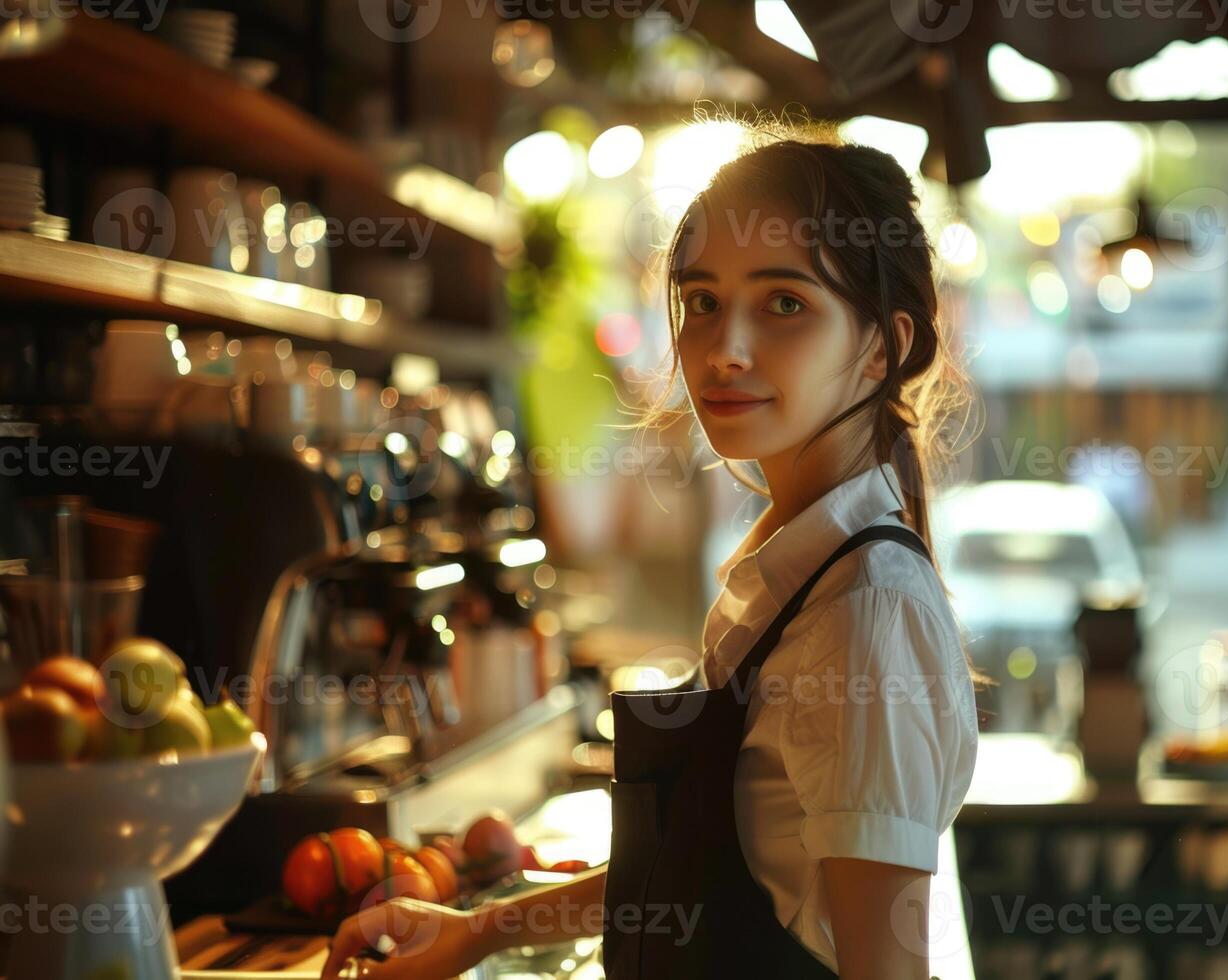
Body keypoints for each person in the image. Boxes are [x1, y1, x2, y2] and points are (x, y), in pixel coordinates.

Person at [321, 117, 985, 980]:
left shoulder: (865, 614)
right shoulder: (793, 569)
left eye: (786, 303)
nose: (725, 350)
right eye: (704, 302)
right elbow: (697, 870)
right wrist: (477, 931)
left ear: (882, 349)